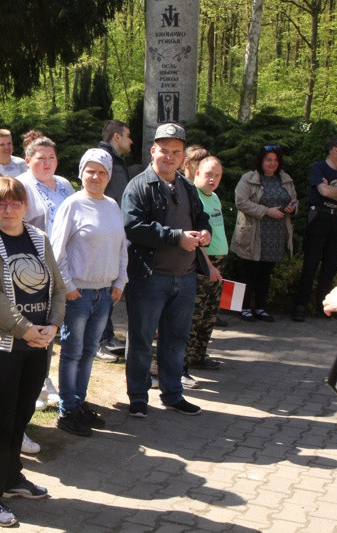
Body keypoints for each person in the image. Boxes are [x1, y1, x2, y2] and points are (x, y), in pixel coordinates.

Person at [0, 175, 65, 527]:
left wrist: (53, 326)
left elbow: (57, 287)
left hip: (38, 344)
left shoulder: (39, 239)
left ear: (26, 205)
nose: (8, 209)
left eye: (14, 202)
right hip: (0, 346)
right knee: (0, 421)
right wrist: (26, 329)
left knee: (22, 414)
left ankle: (11, 477)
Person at [121, 123, 212, 418]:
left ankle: (172, 394)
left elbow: (201, 216)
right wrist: (176, 237)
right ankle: (138, 397)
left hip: (184, 279)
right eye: (164, 150)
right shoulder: (138, 186)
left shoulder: (186, 186)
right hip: (149, 278)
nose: (169, 156)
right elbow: (132, 227)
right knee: (141, 341)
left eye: (176, 152)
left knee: (176, 341)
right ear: (153, 151)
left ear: (183, 155)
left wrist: (205, 232)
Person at [51, 149, 127, 437]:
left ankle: (79, 404)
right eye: (90, 170)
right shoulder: (72, 205)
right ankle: (66, 410)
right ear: (81, 173)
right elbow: (57, 251)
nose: (95, 176)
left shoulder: (111, 205)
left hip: (105, 294)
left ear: (109, 176)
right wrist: (68, 287)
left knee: (89, 352)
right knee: (72, 353)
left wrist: (121, 280)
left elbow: (121, 246)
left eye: (102, 172)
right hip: (79, 294)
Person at [14, 132, 76, 414]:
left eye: (52, 157)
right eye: (41, 158)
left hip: (64, 264)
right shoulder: (22, 187)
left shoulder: (64, 184)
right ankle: (35, 383)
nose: (47, 162)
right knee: (36, 323)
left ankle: (45, 378)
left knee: (54, 323)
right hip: (33, 267)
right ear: (28, 161)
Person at [229, 144, 297, 322]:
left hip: (275, 234)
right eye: (268, 160)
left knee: (265, 274)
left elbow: (295, 199)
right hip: (253, 233)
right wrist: (267, 211)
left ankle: (260, 307)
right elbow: (241, 202)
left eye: (275, 160)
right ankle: (243, 308)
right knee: (249, 273)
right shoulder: (248, 178)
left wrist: (292, 207)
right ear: (261, 161)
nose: (272, 163)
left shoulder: (285, 179)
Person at [183, 157, 227, 388]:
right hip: (203, 264)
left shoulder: (215, 197)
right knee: (194, 315)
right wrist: (208, 266)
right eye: (208, 174)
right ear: (197, 173)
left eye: (217, 175)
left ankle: (199, 356)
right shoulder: (194, 196)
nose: (212, 179)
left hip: (219, 263)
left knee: (209, 315)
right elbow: (197, 239)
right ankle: (183, 364)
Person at [292, 137, 337, 322]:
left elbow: (328, 191)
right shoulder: (318, 167)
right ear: (334, 149)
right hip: (319, 217)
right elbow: (323, 192)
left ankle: (324, 307)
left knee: (330, 265)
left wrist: (329, 189)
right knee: (311, 263)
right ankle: (300, 306)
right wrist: (332, 191)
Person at [97, 120, 134, 357]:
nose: (131, 141)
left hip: (115, 231)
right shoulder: (104, 158)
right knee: (103, 286)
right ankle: (100, 340)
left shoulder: (115, 159)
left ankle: (106, 336)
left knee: (110, 284)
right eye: (128, 136)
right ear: (116, 137)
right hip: (104, 233)